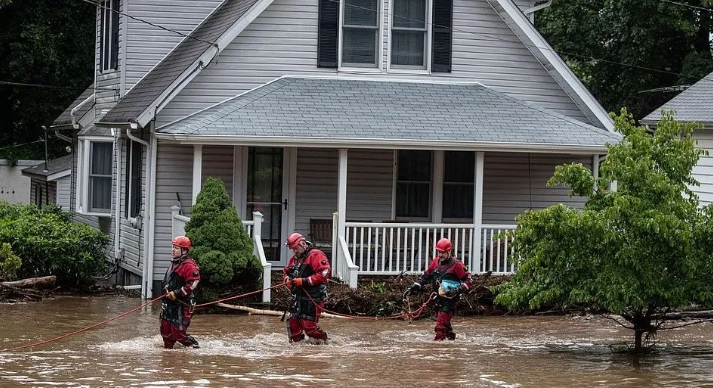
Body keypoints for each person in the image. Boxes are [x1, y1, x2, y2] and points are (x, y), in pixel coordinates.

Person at [402, 238, 473, 341]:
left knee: (440, 327)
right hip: (438, 299)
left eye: (443, 253)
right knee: (446, 327)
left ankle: (437, 348)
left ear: (449, 251)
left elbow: (468, 280)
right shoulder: (435, 262)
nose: (440, 255)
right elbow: (426, 277)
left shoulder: (457, 265)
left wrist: (458, 290)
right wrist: (414, 287)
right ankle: (452, 343)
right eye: (439, 252)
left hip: (450, 300)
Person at [283, 232, 331, 344]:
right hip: (298, 296)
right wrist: (287, 281)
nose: (294, 251)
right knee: (293, 324)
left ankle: (324, 340)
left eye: (296, 249)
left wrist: (304, 281)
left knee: (309, 326)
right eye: (292, 249)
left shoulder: (315, 255)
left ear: (303, 244)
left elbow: (324, 272)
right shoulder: (294, 259)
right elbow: (285, 272)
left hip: (313, 297)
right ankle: (297, 349)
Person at [160, 235, 201, 349]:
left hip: (182, 305)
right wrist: (166, 292)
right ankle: (168, 359)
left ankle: (195, 347)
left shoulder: (189, 266)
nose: (173, 250)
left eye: (176, 248)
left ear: (184, 250)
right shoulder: (174, 263)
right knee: (166, 333)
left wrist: (176, 293)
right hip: (169, 304)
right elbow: (167, 281)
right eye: (173, 247)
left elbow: (194, 283)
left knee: (179, 334)